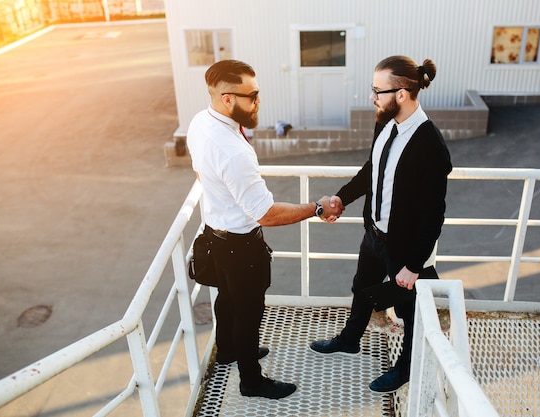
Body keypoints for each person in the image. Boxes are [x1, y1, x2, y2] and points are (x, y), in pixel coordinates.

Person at [186, 60, 342, 400]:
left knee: (227, 302)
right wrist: (316, 207)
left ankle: (228, 351)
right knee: (248, 314)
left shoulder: (199, 123)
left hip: (215, 235)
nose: (258, 102)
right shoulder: (233, 150)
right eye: (252, 95)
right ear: (228, 99)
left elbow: (200, 172)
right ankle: (252, 382)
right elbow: (266, 214)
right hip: (240, 247)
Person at [310, 55, 452, 393]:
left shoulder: (430, 145)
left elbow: (434, 213)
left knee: (408, 313)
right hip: (374, 234)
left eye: (378, 90)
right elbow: (371, 171)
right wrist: (341, 199)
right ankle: (349, 340)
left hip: (403, 246)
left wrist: (414, 265)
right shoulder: (385, 122)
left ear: (402, 93)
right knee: (361, 287)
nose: (372, 97)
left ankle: (405, 368)